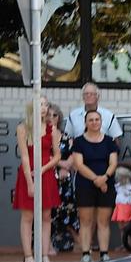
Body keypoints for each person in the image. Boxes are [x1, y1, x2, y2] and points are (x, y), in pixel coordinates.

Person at [13, 98, 61, 262]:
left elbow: (57, 156)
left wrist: (43, 169)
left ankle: (44, 255)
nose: (44, 108)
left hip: (46, 174)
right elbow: (24, 157)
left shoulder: (52, 128)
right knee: (28, 217)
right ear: (32, 106)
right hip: (28, 174)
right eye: (40, 104)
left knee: (46, 216)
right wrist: (30, 182)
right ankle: (28, 257)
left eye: (46, 104)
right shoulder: (23, 128)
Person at [71, 108, 118, 262]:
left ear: (101, 122)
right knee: (86, 220)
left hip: (107, 184)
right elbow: (78, 164)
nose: (94, 122)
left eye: (97, 119)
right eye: (90, 120)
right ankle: (86, 253)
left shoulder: (109, 141)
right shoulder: (78, 142)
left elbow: (113, 163)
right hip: (85, 184)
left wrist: (104, 178)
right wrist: (96, 180)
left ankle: (104, 253)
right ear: (85, 123)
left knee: (103, 221)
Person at [48, 104, 80, 253]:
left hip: (65, 180)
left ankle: (79, 243)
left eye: (54, 115)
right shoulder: (41, 136)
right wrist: (60, 164)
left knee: (69, 210)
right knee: (48, 212)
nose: (51, 118)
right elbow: (45, 157)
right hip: (48, 177)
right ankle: (47, 245)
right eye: (48, 115)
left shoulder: (66, 137)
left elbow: (73, 156)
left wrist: (65, 165)